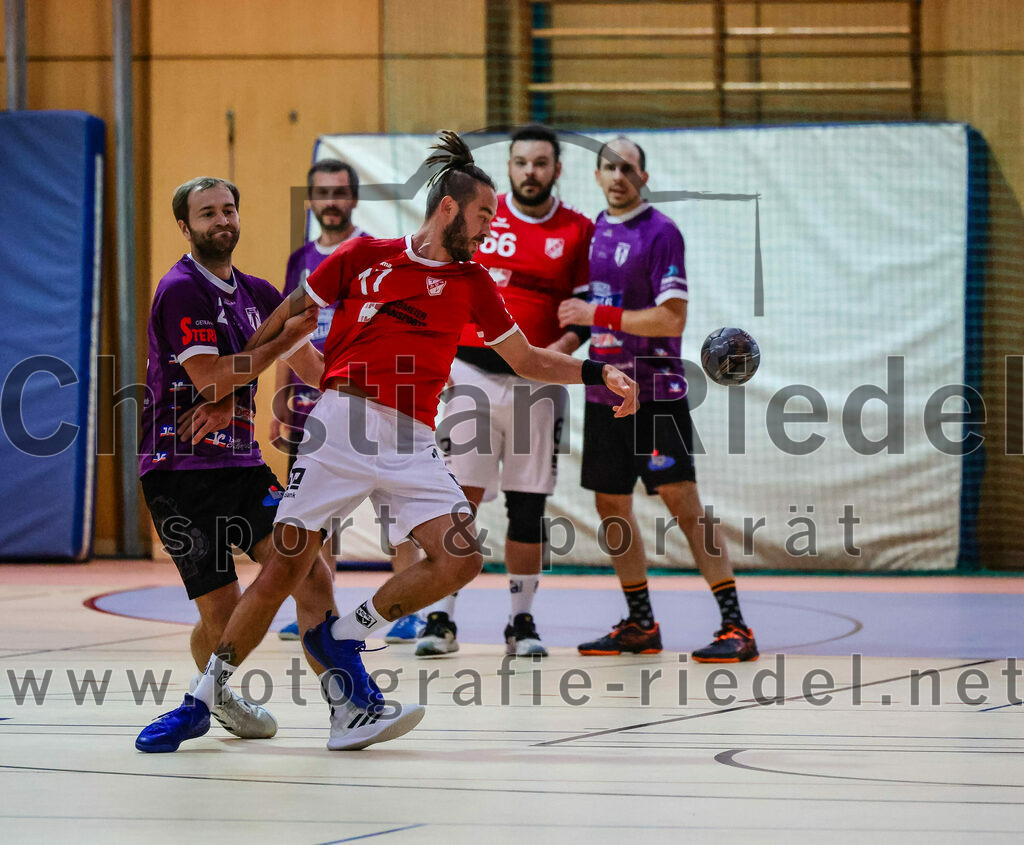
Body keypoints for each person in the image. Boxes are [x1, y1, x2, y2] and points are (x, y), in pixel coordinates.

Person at [136, 131, 637, 753]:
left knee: (461, 558)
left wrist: (598, 372)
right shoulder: (363, 255)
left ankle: (343, 634)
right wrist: (228, 395)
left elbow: (528, 359)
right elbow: (286, 322)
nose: (491, 227)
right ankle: (202, 701)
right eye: (484, 215)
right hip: (340, 426)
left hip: (412, 439)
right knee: (288, 568)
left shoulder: (474, 281)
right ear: (449, 208)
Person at [136, 176, 326, 751]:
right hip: (179, 471)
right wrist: (275, 347)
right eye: (207, 213)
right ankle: (215, 696)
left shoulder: (259, 292)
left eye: (228, 210)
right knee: (224, 614)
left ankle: (348, 702)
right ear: (185, 227)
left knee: (308, 569)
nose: (222, 220)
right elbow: (212, 380)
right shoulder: (181, 290)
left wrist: (382, 397)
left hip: (242, 464)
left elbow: (316, 368)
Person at [557, 136, 759, 663]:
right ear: (596, 176)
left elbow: (671, 319)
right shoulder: (592, 233)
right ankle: (641, 623)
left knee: (682, 504)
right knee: (610, 505)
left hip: (654, 394)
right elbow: (582, 318)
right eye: (609, 167)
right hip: (605, 393)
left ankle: (736, 626)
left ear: (643, 177)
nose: (618, 176)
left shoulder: (661, 232)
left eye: (628, 168)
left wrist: (595, 316)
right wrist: (552, 353)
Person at [410, 124, 594, 658]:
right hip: (469, 376)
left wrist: (556, 353)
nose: (529, 171)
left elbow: (580, 314)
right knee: (455, 499)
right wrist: (438, 357)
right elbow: (439, 281)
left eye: (540, 162)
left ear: (557, 169)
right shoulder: (482, 216)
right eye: (521, 162)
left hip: (537, 383)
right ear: (510, 166)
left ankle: (521, 622)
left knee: (527, 505)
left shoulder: (579, 230)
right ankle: (440, 617)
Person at [271, 160, 424, 644]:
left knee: (395, 510)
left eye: (339, 192)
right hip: (310, 405)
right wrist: (279, 399)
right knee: (315, 516)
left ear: (354, 199)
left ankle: (409, 611)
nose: (331, 201)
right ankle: (319, 608)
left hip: (368, 401)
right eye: (322, 193)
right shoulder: (300, 259)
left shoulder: (373, 254)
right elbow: (286, 334)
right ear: (310, 200)